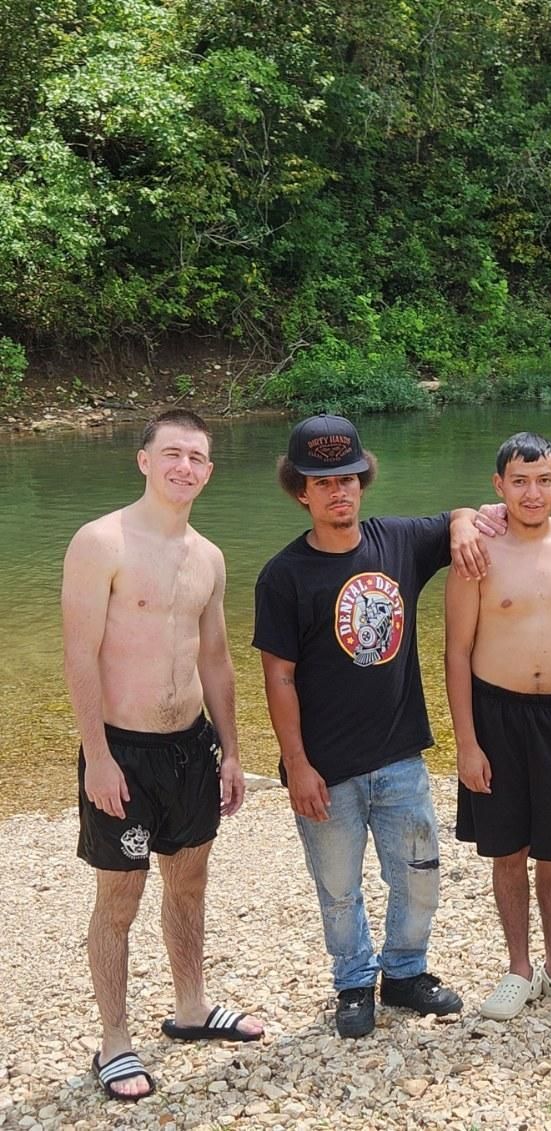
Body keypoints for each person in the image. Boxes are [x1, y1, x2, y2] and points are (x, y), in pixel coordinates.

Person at [253, 413, 487, 1038]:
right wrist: (297, 765)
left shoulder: (399, 541)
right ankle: (354, 983)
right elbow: (278, 678)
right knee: (336, 888)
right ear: (300, 490)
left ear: (364, 480)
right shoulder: (283, 576)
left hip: (400, 756)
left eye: (349, 477)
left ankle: (406, 974)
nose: (339, 491)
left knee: (418, 874)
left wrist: (463, 523)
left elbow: (465, 512)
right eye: (322, 481)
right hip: (324, 770)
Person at [62, 409, 263, 1103]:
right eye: (172, 453)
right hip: (123, 750)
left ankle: (191, 1007)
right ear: (143, 459)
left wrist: (232, 751)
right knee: (119, 896)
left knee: (189, 881)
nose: (185, 466)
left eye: (198, 458)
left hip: (190, 748)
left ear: (209, 470)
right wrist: (96, 756)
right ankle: (114, 1041)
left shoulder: (207, 555)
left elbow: (215, 658)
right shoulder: (100, 541)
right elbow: (78, 654)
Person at [445, 432, 551, 1020]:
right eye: (518, 481)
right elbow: (455, 652)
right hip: (497, 713)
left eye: (543, 479)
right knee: (508, 847)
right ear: (499, 486)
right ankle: (518, 967)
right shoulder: (478, 552)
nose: (531, 491)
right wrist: (466, 743)